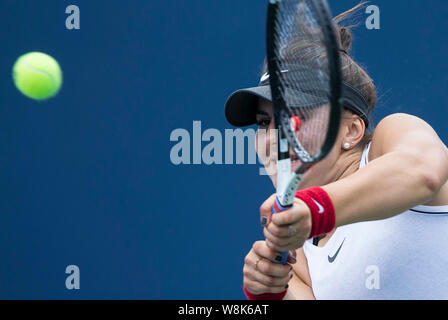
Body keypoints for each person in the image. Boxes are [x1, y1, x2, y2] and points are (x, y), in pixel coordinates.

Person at [224, 5, 448, 300]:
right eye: (265, 123)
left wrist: (314, 210)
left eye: (295, 116)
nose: (276, 138)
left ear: (351, 130)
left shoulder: (392, 139)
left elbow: (425, 172)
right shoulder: (299, 252)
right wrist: (271, 290)